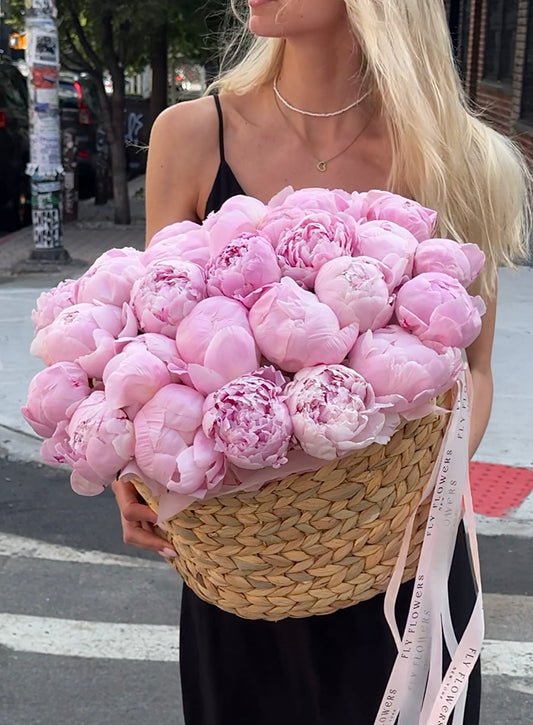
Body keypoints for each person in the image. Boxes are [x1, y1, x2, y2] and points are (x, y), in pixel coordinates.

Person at [112, 1, 532, 723]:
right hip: (248, 568)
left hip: (402, 567)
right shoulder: (190, 135)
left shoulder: (459, 157)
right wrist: (136, 464)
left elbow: (477, 366)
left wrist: (412, 494)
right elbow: (155, 344)